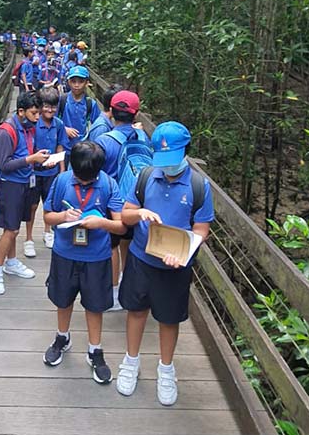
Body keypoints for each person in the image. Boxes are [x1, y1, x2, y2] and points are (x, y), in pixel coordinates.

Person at [116, 121, 214, 405]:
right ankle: (130, 362)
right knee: (136, 310)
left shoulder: (198, 186)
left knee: (169, 319)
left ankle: (166, 369)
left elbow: (201, 229)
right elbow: (125, 215)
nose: (167, 167)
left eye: (172, 160)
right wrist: (141, 213)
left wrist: (184, 252)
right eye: (163, 161)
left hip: (175, 265)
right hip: (141, 257)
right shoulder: (147, 175)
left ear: (186, 152)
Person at [42, 141, 125, 384]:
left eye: (89, 179)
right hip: (65, 253)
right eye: (81, 178)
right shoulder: (62, 182)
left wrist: (103, 223)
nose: (85, 182)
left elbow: (120, 224)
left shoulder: (109, 184)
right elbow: (48, 216)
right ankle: (62, 337)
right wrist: (63, 216)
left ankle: (95, 350)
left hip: (97, 256)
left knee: (95, 305)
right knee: (62, 299)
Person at [0, 92, 50, 295]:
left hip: (24, 182)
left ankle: (11, 262)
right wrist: (31, 159)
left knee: (15, 226)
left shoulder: (28, 128)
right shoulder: (7, 132)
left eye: (39, 113)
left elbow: (25, 154)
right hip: (9, 185)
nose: (37, 117)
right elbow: (4, 166)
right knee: (10, 230)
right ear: (21, 111)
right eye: (34, 113)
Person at [95, 90, 145, 310]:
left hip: (112, 202)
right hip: (135, 203)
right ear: (136, 114)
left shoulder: (105, 141)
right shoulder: (143, 137)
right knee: (128, 242)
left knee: (112, 245)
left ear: (112, 112)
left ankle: (114, 292)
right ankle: (126, 280)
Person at [24, 88, 65, 256]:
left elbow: (60, 146)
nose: (50, 110)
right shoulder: (33, 124)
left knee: (50, 204)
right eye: (47, 106)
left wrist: (62, 170)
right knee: (32, 206)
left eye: (53, 107)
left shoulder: (59, 124)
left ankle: (48, 232)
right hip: (34, 172)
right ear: (40, 107)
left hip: (52, 172)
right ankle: (28, 238)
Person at [58, 66, 100, 162]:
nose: (76, 85)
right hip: (63, 146)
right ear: (68, 82)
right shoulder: (62, 100)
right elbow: (52, 120)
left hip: (82, 148)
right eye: (73, 81)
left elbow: (97, 124)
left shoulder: (90, 104)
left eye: (80, 82)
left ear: (86, 83)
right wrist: (64, 129)